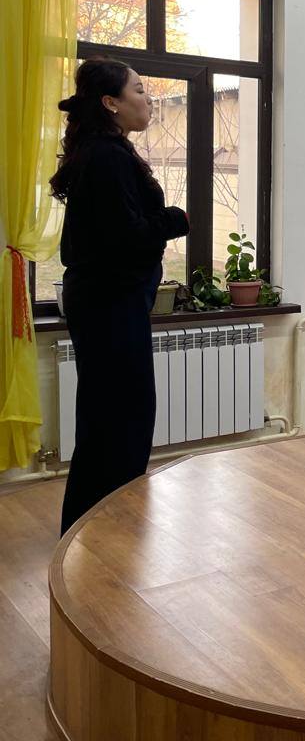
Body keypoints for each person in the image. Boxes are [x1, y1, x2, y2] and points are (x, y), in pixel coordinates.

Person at [50, 58, 189, 535]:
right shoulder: (107, 156)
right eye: (139, 90)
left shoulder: (104, 151)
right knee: (121, 420)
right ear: (110, 102)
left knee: (110, 418)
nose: (149, 99)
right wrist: (176, 219)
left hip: (107, 303)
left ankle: (95, 532)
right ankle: (101, 534)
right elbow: (126, 237)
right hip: (109, 304)